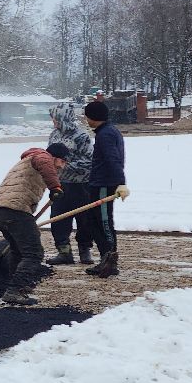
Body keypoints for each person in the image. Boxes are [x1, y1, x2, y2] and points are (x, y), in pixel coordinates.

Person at [0, 143, 68, 305]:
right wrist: (55, 187)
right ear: (55, 157)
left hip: (0, 210)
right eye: (63, 161)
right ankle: (14, 291)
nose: (63, 165)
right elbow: (45, 162)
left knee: (18, 251)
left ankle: (14, 287)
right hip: (15, 210)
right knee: (34, 253)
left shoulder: (28, 160)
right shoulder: (42, 156)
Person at [80, 99, 130, 277]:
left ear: (94, 117)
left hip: (104, 185)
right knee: (93, 222)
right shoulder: (105, 132)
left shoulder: (106, 134)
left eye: (87, 116)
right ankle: (105, 259)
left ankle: (110, 260)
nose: (86, 119)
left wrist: (121, 182)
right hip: (97, 183)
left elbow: (113, 160)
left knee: (103, 222)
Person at [44, 104, 96, 264]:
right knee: (58, 219)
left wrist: (66, 166)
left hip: (81, 186)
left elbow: (89, 161)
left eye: (55, 117)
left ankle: (84, 251)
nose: (53, 121)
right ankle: (64, 252)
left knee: (85, 220)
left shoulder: (81, 136)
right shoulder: (54, 135)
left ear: (62, 117)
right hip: (60, 185)